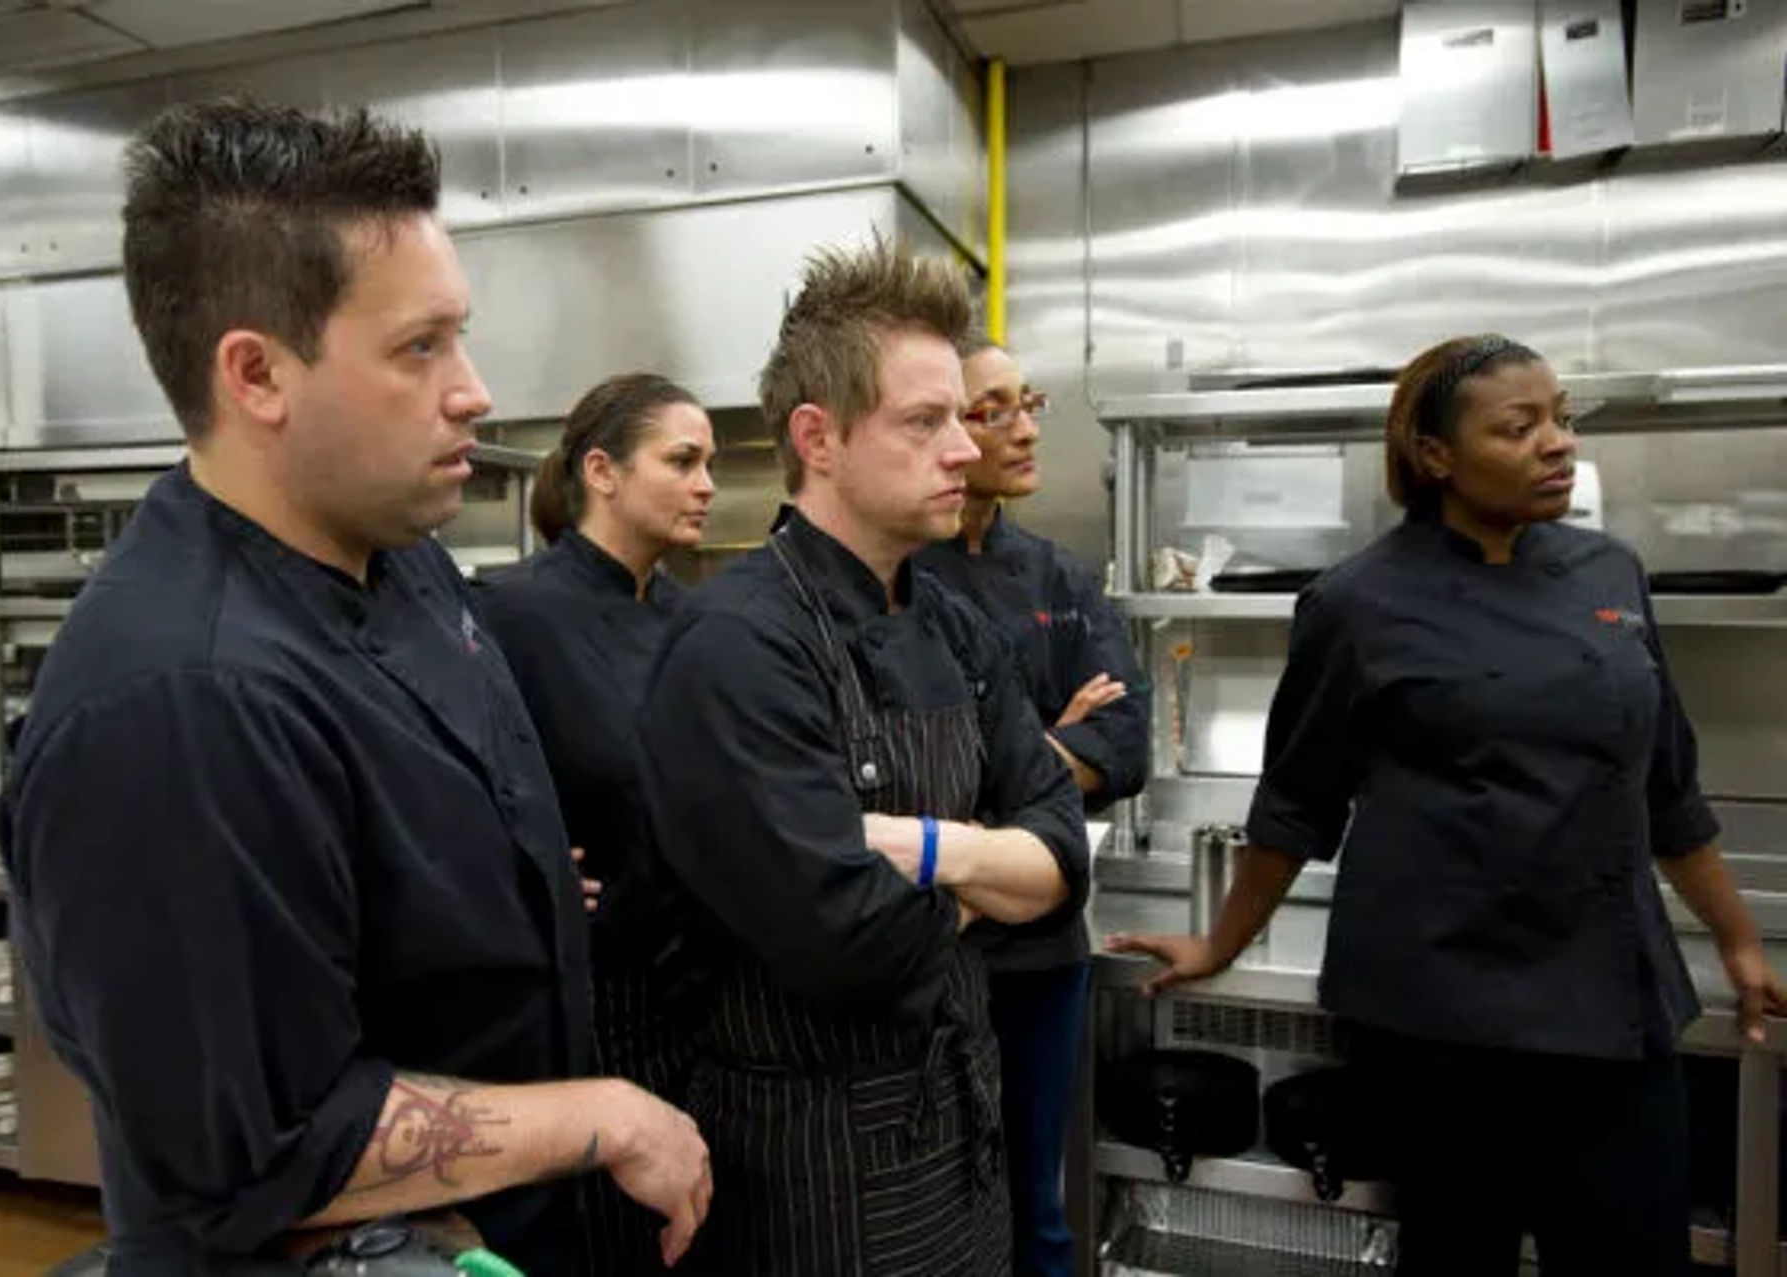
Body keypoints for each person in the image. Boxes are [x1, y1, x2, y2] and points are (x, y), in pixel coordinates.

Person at [0, 99, 710, 1275]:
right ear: (256, 373)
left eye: (460, 337)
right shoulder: (184, 700)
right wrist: (606, 1114)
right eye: (419, 347)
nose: (474, 389)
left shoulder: (406, 562)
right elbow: (254, 1143)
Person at [1108, 334, 1787, 1276]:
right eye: (1520, 427)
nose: (1557, 443)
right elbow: (1298, 803)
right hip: (1443, 1024)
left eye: (1562, 419)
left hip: (1613, 1007)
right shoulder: (1358, 603)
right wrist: (1222, 941)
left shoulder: (1609, 574)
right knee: (1458, 1257)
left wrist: (1739, 940)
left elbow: (1667, 782)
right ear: (1436, 455)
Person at [633, 237, 1090, 1277]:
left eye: (959, 421)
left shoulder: (956, 624)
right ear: (819, 437)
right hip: (809, 1170)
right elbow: (853, 946)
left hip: (960, 1140)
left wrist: (929, 848)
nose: (966, 451)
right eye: (925, 422)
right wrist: (993, 860)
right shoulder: (738, 645)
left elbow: (1065, 859)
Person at [471, 373, 717, 1276]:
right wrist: (504, 867)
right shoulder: (512, 614)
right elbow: (460, 784)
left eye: (710, 464)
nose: (705, 484)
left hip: (700, 996)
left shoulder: (697, 619)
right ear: (603, 472)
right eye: (682, 460)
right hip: (587, 1003)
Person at [914, 336, 1148, 1277]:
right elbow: (916, 778)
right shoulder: (906, 578)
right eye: (992, 408)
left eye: (1029, 402)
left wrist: (1021, 762)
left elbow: (1126, 745)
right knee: (937, 1199)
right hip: (936, 945)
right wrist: (1052, 748)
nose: (1021, 428)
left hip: (1045, 948)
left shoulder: (1059, 576)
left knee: (1038, 1207)